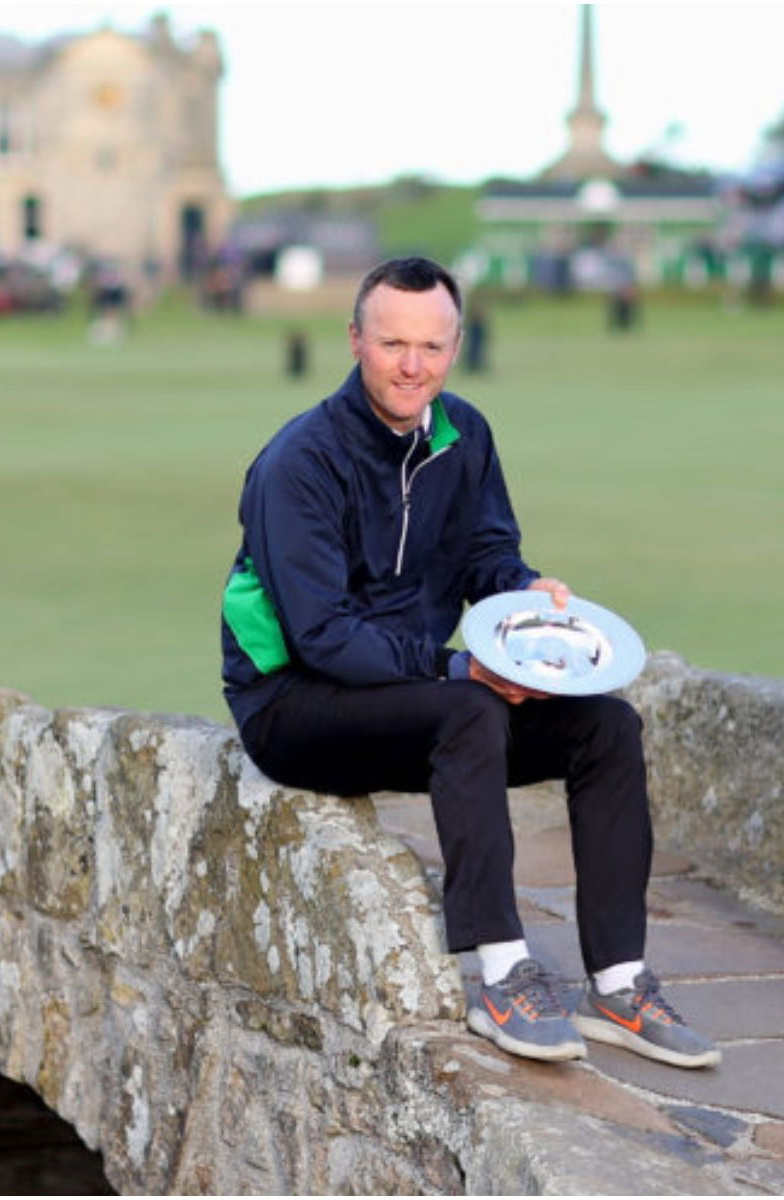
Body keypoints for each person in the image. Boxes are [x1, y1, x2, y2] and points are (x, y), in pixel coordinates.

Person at [219, 257, 718, 1070]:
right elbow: (322, 637)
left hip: (416, 696)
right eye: (392, 345)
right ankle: (499, 973)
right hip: (293, 705)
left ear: (454, 345)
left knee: (606, 726)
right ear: (354, 341)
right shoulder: (298, 463)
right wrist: (461, 671)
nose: (412, 365)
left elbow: (487, 556)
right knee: (470, 708)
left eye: (431, 346)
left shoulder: (465, 433)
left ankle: (619, 981)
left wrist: (525, 592)